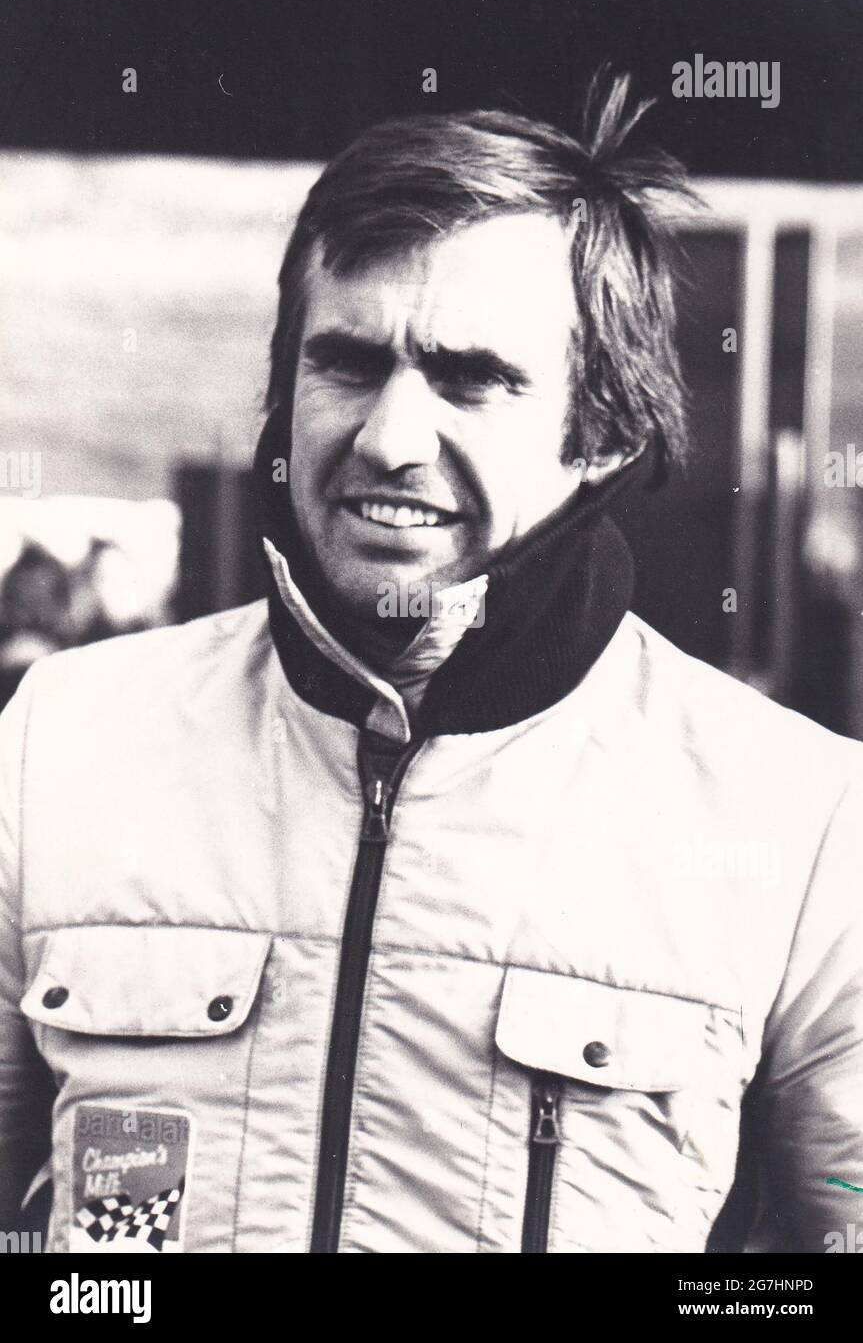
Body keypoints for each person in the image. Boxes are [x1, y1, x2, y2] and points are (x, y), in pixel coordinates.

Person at [1, 75, 861, 1256]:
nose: (390, 438)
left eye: (471, 379)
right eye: (347, 363)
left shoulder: (798, 818)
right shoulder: (62, 742)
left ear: (603, 429)